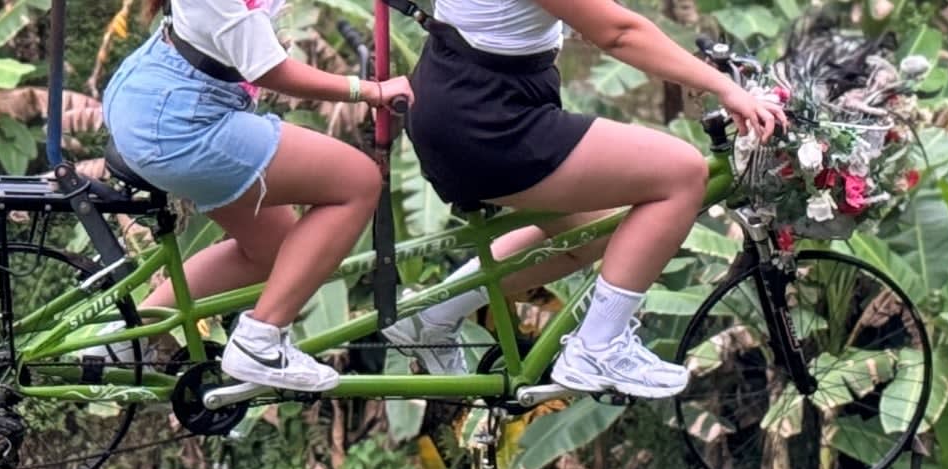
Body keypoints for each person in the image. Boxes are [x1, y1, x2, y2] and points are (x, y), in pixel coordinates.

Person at [380, 0, 785, 398]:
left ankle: (432, 316)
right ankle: (598, 347)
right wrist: (725, 88)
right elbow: (619, 33)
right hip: (485, 120)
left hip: (467, 99)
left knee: (593, 232)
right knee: (682, 173)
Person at [92, 0, 415, 391]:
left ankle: (129, 337)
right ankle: (260, 342)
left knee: (273, 252)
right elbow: (268, 69)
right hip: (179, 122)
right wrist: (367, 91)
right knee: (358, 181)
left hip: (160, 96)